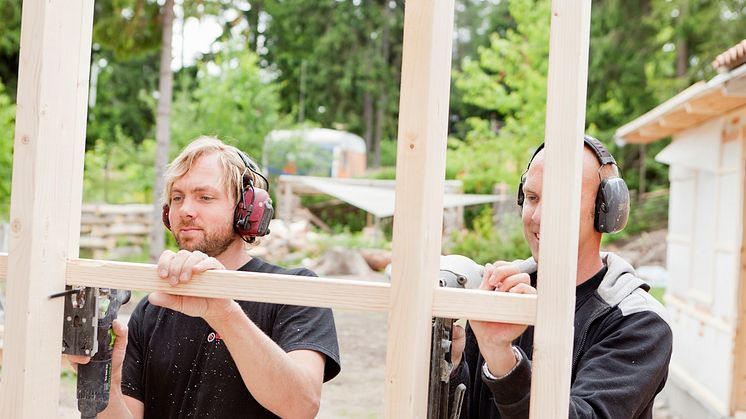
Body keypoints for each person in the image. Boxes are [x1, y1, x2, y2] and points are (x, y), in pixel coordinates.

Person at [74, 136, 340, 418]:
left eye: (205, 197)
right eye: (177, 198)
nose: (186, 210)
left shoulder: (293, 290)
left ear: (247, 210)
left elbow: (301, 405)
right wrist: (106, 383)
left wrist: (222, 312)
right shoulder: (154, 307)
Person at [449, 136, 672, 419]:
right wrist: (452, 367)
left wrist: (503, 360)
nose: (538, 216)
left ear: (606, 211)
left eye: (558, 200)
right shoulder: (501, 295)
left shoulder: (640, 323)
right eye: (531, 198)